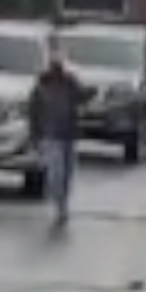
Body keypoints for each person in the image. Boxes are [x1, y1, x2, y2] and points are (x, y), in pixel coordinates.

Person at [27, 38, 84, 223]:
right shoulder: (41, 85)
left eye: (59, 63)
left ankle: (63, 205)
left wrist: (90, 93)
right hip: (50, 135)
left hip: (70, 134)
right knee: (55, 173)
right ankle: (59, 203)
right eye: (54, 63)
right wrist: (34, 137)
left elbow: (82, 97)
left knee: (68, 174)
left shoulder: (71, 82)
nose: (56, 66)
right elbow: (33, 112)